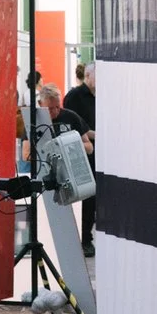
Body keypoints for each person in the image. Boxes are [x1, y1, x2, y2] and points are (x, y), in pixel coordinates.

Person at [57, 62, 97, 255]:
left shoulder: (102, 96)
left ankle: (87, 237)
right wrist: (96, 135)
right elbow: (72, 125)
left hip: (98, 151)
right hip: (79, 152)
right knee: (82, 194)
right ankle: (80, 239)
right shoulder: (74, 96)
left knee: (93, 196)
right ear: (87, 75)